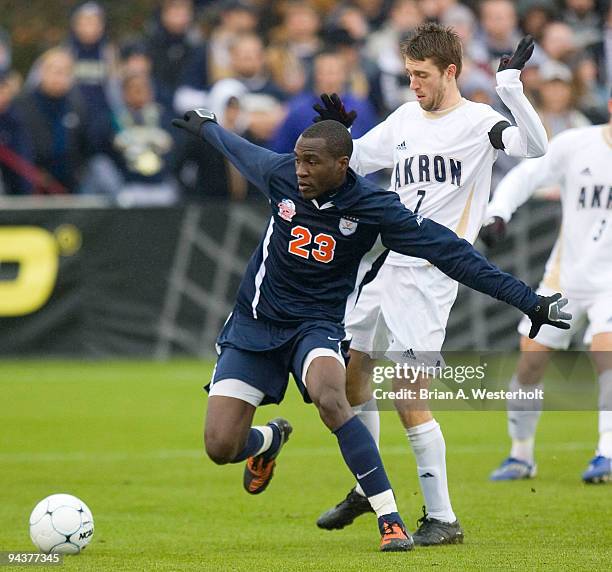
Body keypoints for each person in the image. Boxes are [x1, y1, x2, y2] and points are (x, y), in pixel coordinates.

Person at [172, 110, 570, 551]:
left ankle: (390, 519)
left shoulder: (375, 209)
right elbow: (240, 150)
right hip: (254, 323)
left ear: (344, 165)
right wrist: (206, 126)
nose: (300, 170)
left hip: (315, 326)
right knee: (220, 446)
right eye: (299, 159)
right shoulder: (282, 175)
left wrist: (527, 300)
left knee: (333, 394)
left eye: (311, 162)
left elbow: (453, 253)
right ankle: (270, 439)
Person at [313, 23, 548, 546]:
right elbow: (356, 160)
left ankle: (442, 517)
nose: (413, 84)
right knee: (351, 379)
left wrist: (511, 88)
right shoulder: (403, 118)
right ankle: (366, 485)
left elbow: (534, 146)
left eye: (422, 75)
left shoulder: (480, 122)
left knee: (407, 393)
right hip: (386, 264)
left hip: (432, 274)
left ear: (451, 71)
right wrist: (335, 136)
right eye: (408, 74)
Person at [481, 95, 612, 484]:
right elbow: (526, 175)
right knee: (531, 363)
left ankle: (606, 451)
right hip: (566, 279)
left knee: (607, 354)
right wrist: (498, 212)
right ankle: (521, 455)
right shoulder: (577, 144)